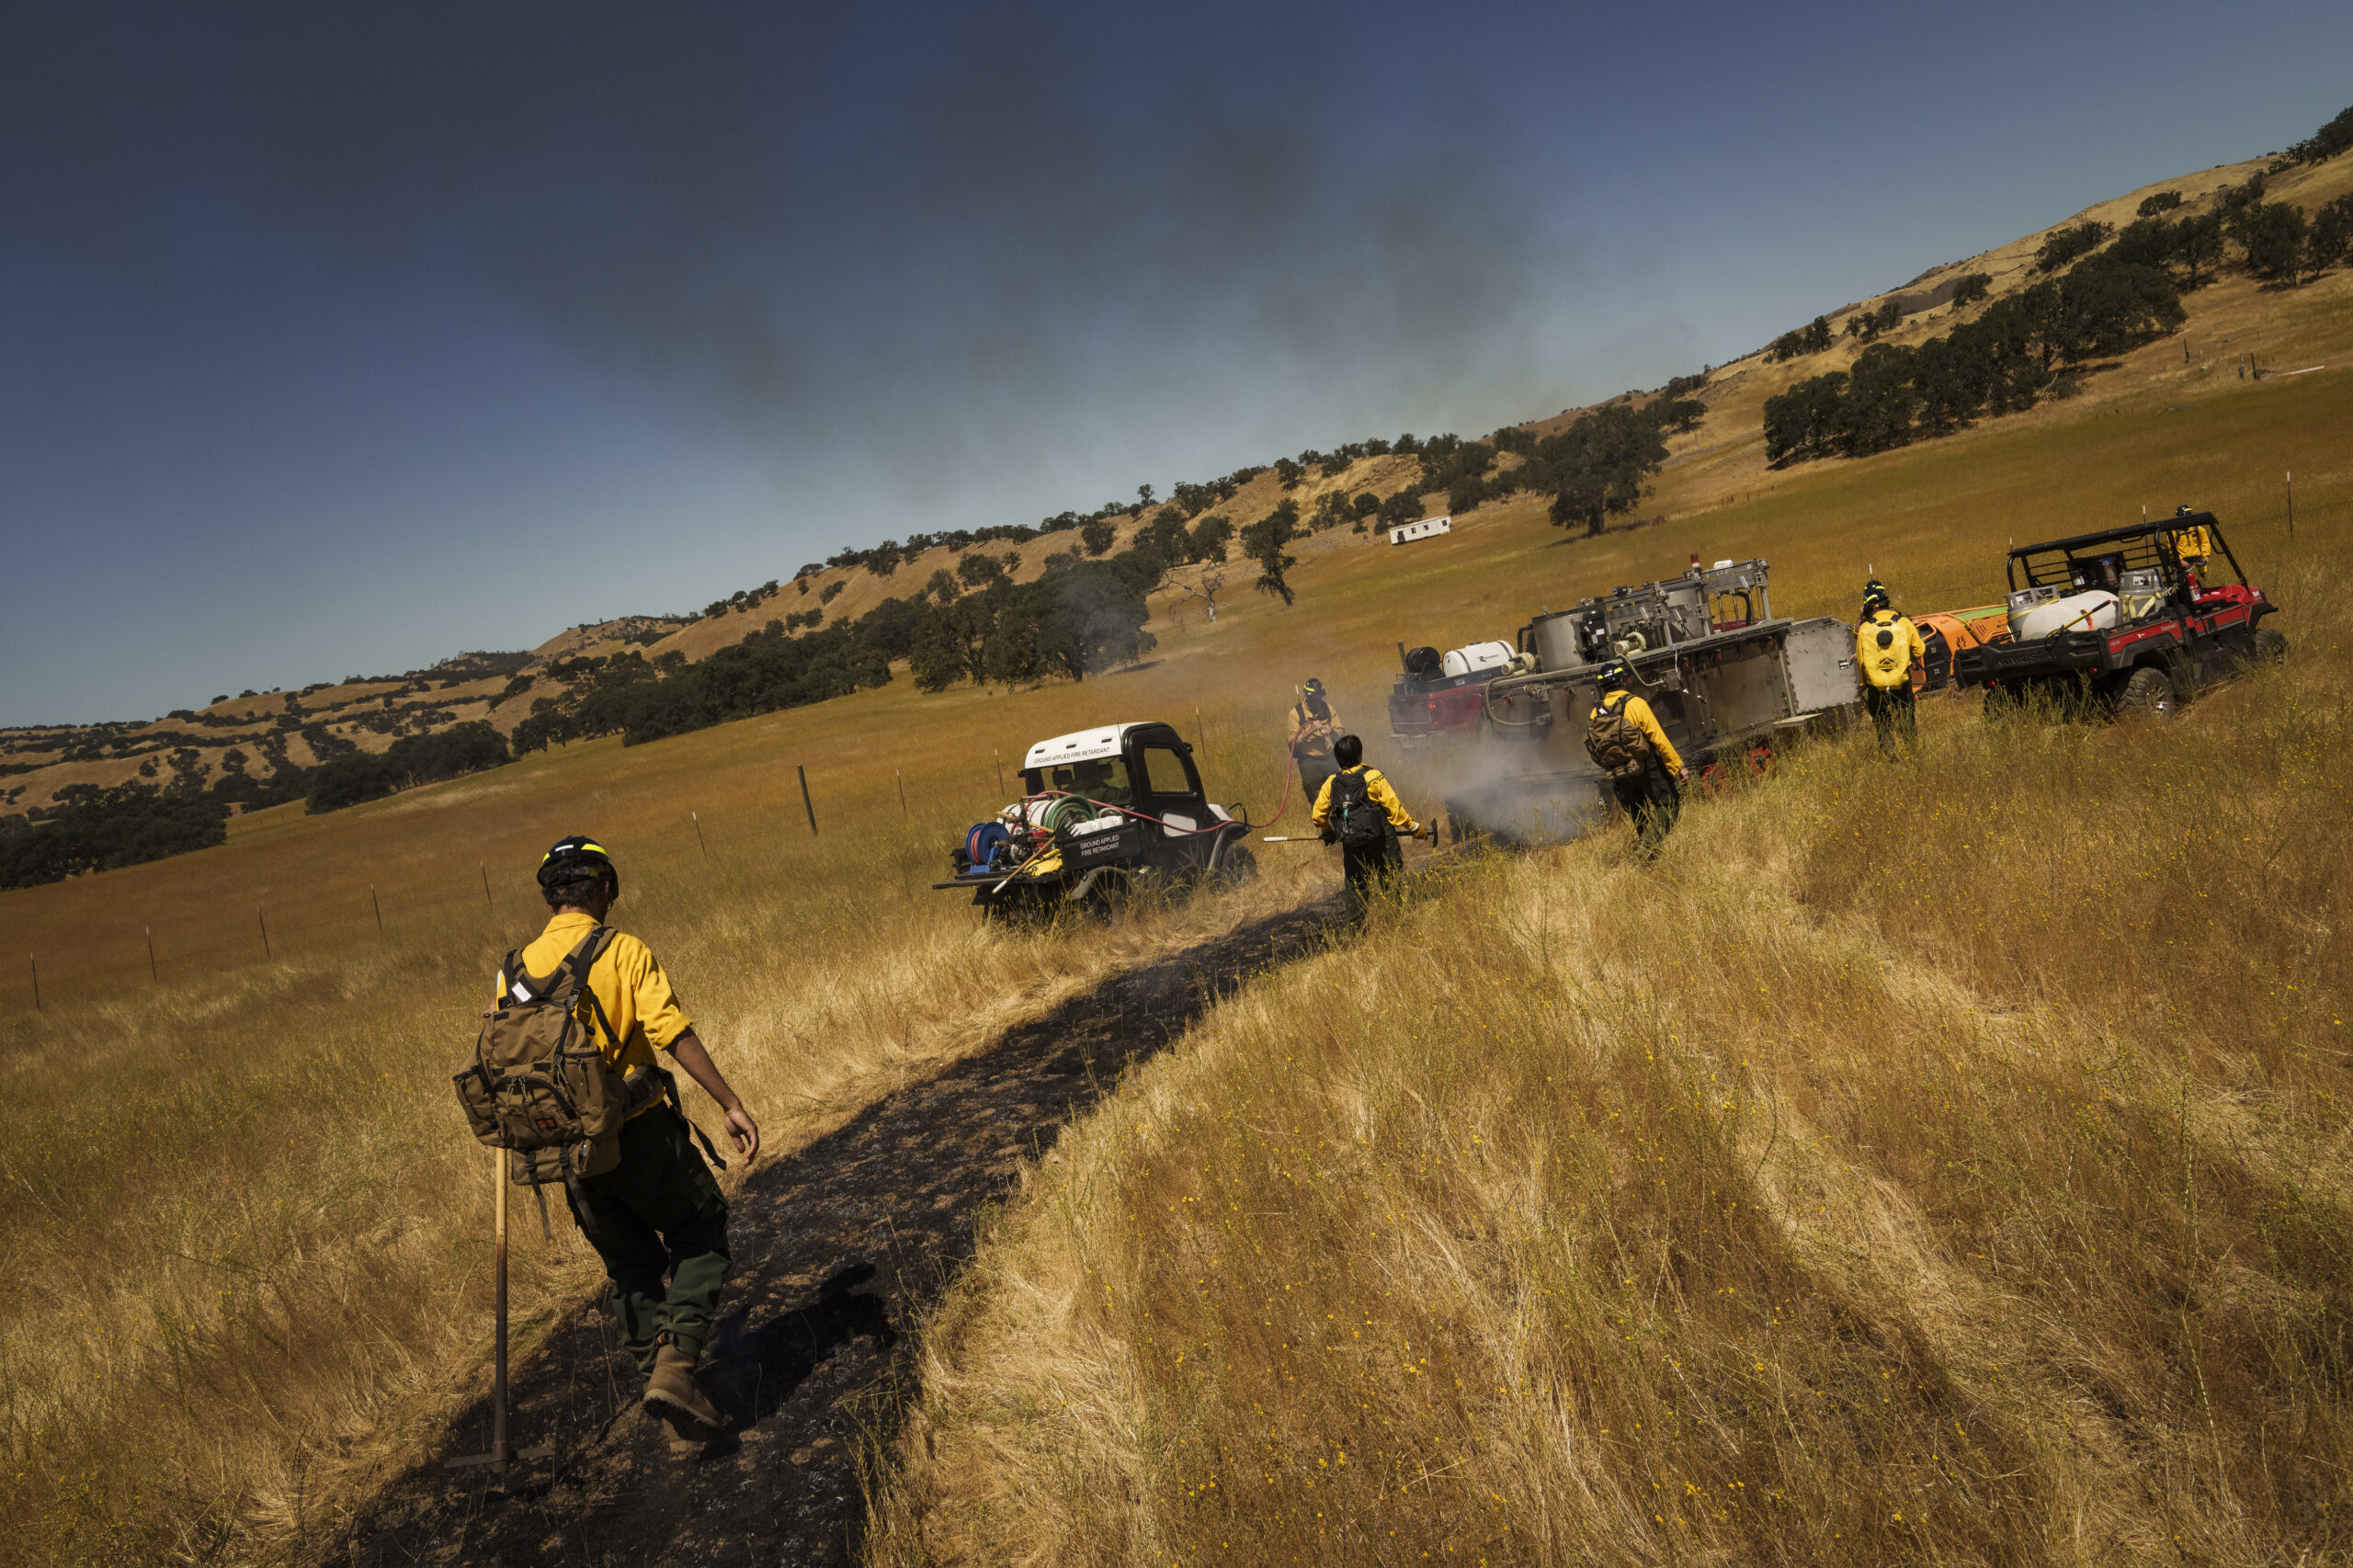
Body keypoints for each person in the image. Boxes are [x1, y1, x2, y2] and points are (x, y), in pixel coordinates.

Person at [508, 835, 760, 1446]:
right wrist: (729, 1103)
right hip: (639, 1132)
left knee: (630, 1268)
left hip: (566, 1150)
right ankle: (676, 1370)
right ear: (606, 889)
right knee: (701, 1230)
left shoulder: (512, 970)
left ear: (549, 898)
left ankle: (668, 1398)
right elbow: (670, 1031)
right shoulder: (621, 949)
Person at [1311, 733, 1422, 922]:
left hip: (1351, 839)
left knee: (1356, 885)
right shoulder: (1373, 776)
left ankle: (1355, 931)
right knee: (1391, 878)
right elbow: (1393, 808)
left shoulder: (1331, 782)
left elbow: (1318, 815)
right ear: (1360, 755)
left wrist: (1327, 831)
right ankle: (1397, 923)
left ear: (1337, 759)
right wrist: (1413, 826)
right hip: (1381, 837)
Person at [1585, 659, 1688, 859]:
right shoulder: (1635, 704)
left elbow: (1593, 747)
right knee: (1669, 804)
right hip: (1646, 764)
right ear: (1623, 680)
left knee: (1638, 812)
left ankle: (1648, 857)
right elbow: (1657, 737)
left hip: (1618, 770)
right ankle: (1645, 849)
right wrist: (1677, 766)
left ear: (1602, 687)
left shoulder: (1595, 712)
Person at [1854, 579, 1927, 760]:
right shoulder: (1903, 622)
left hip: (1876, 685)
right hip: (1901, 681)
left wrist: (1864, 684)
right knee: (1907, 717)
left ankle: (1891, 754)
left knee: (1880, 719)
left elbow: (1861, 662)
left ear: (1870, 607)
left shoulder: (1865, 628)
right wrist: (1905, 660)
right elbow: (1920, 650)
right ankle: (1913, 753)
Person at [1289, 678, 1342, 801]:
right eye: (1315, 699)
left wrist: (1332, 732)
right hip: (1310, 761)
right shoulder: (1295, 714)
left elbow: (1340, 731)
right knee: (1317, 799)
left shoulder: (1328, 708)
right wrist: (1310, 730)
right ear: (1307, 697)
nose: (1318, 701)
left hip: (1330, 758)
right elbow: (1292, 742)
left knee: (1338, 795)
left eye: (1319, 698)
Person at [2170, 504, 2213, 596]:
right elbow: (2171, 549)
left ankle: (2204, 592)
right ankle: (2185, 596)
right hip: (2183, 561)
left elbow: (2205, 542)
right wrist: (2180, 560)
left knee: (2203, 578)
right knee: (2184, 582)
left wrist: (2206, 556)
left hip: (2198, 558)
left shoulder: (2198, 529)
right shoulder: (2174, 532)